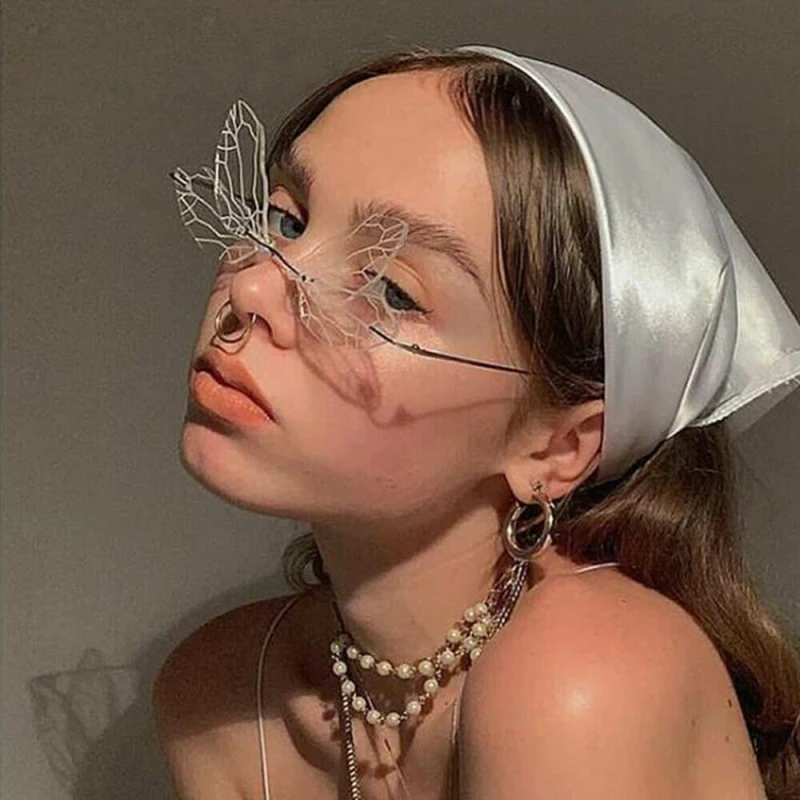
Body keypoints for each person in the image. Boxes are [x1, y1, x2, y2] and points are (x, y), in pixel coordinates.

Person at [151, 45, 800, 799]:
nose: (255, 288)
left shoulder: (585, 677)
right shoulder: (220, 700)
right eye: (284, 218)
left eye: (390, 290)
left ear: (558, 446)